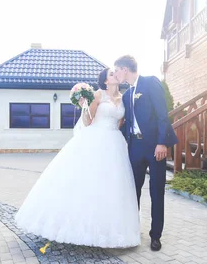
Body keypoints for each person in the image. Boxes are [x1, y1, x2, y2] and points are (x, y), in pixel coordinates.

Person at [14, 68, 140, 248]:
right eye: (111, 74)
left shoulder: (124, 98)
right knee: (87, 183)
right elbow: (88, 121)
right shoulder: (98, 95)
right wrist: (84, 106)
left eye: (115, 73)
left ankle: (109, 229)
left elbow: (121, 123)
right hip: (95, 139)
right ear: (105, 81)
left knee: (112, 185)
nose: (115, 76)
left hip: (115, 143)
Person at [114, 55, 178, 251]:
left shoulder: (150, 83)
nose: (116, 74)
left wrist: (162, 143)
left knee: (156, 191)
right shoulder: (126, 95)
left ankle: (155, 236)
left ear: (125, 69)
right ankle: (133, 231)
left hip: (154, 147)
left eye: (117, 70)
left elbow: (162, 115)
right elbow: (127, 123)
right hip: (135, 148)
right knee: (132, 192)